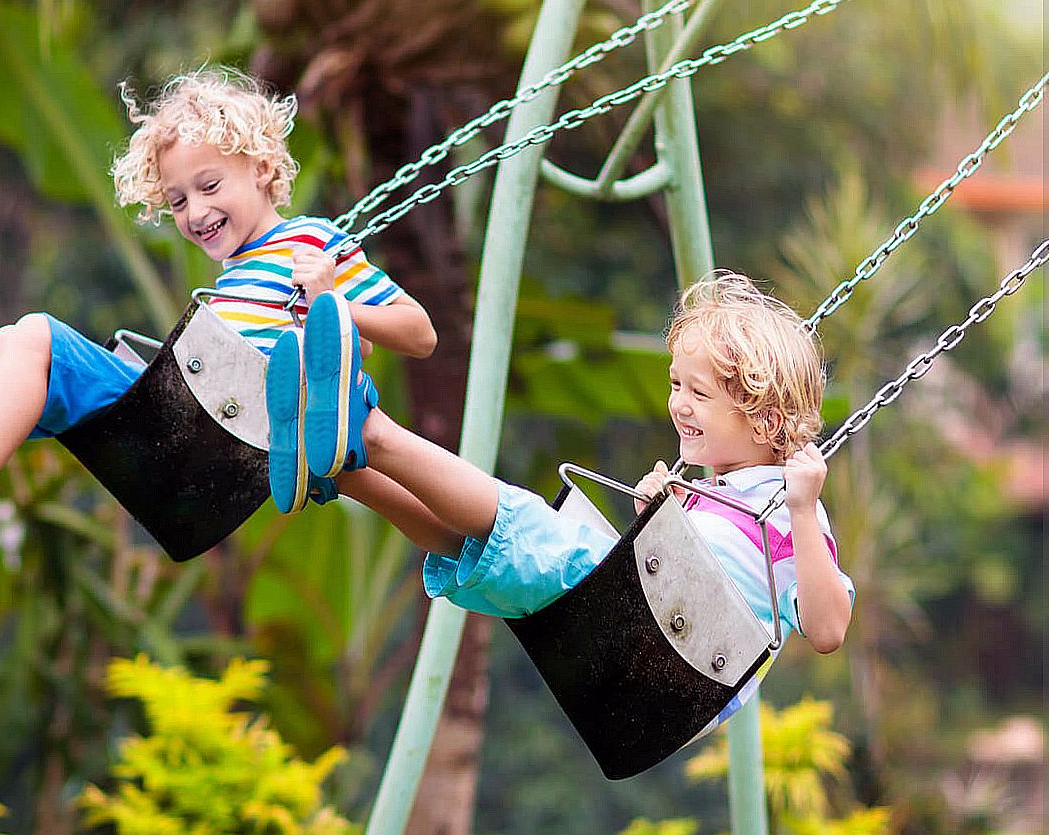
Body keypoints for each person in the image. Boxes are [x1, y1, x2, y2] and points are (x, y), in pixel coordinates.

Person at [0, 66, 443, 582]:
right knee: (13, 351)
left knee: (35, 337)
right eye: (176, 199)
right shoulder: (237, 277)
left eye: (210, 186)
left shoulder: (313, 243)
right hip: (184, 426)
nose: (194, 211)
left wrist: (333, 302)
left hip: (208, 445)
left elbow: (419, 332)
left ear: (263, 168)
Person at [275, 271, 852, 730]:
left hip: (683, 670)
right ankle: (347, 470)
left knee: (523, 522)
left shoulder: (786, 506)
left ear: (767, 420)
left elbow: (826, 629)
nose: (678, 404)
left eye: (698, 393)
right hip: (645, 637)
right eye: (676, 384)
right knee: (477, 543)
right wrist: (655, 522)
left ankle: (370, 427)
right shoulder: (707, 493)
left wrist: (803, 508)